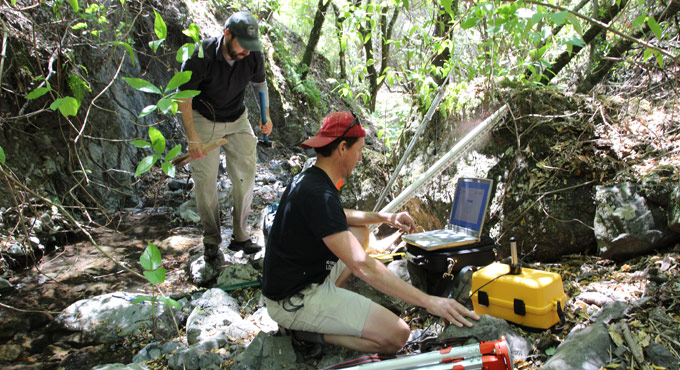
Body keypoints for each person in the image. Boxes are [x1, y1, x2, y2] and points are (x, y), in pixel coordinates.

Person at [262, 112, 479, 354]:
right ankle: (310, 333)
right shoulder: (318, 194)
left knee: (361, 234)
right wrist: (429, 301)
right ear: (343, 148)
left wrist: (387, 217)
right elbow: (362, 265)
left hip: (298, 279)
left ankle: (332, 305)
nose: (361, 157)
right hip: (293, 301)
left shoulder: (312, 179)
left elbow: (337, 216)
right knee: (398, 335)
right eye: (359, 150)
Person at [178, 11, 272, 262]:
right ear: (227, 34)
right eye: (242, 47)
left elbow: (260, 85)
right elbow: (183, 98)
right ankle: (211, 240)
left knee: (246, 175)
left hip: (237, 117)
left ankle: (240, 236)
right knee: (206, 180)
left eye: (250, 49)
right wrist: (193, 138)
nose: (246, 53)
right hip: (204, 117)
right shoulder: (200, 55)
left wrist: (265, 116)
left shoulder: (253, 55)